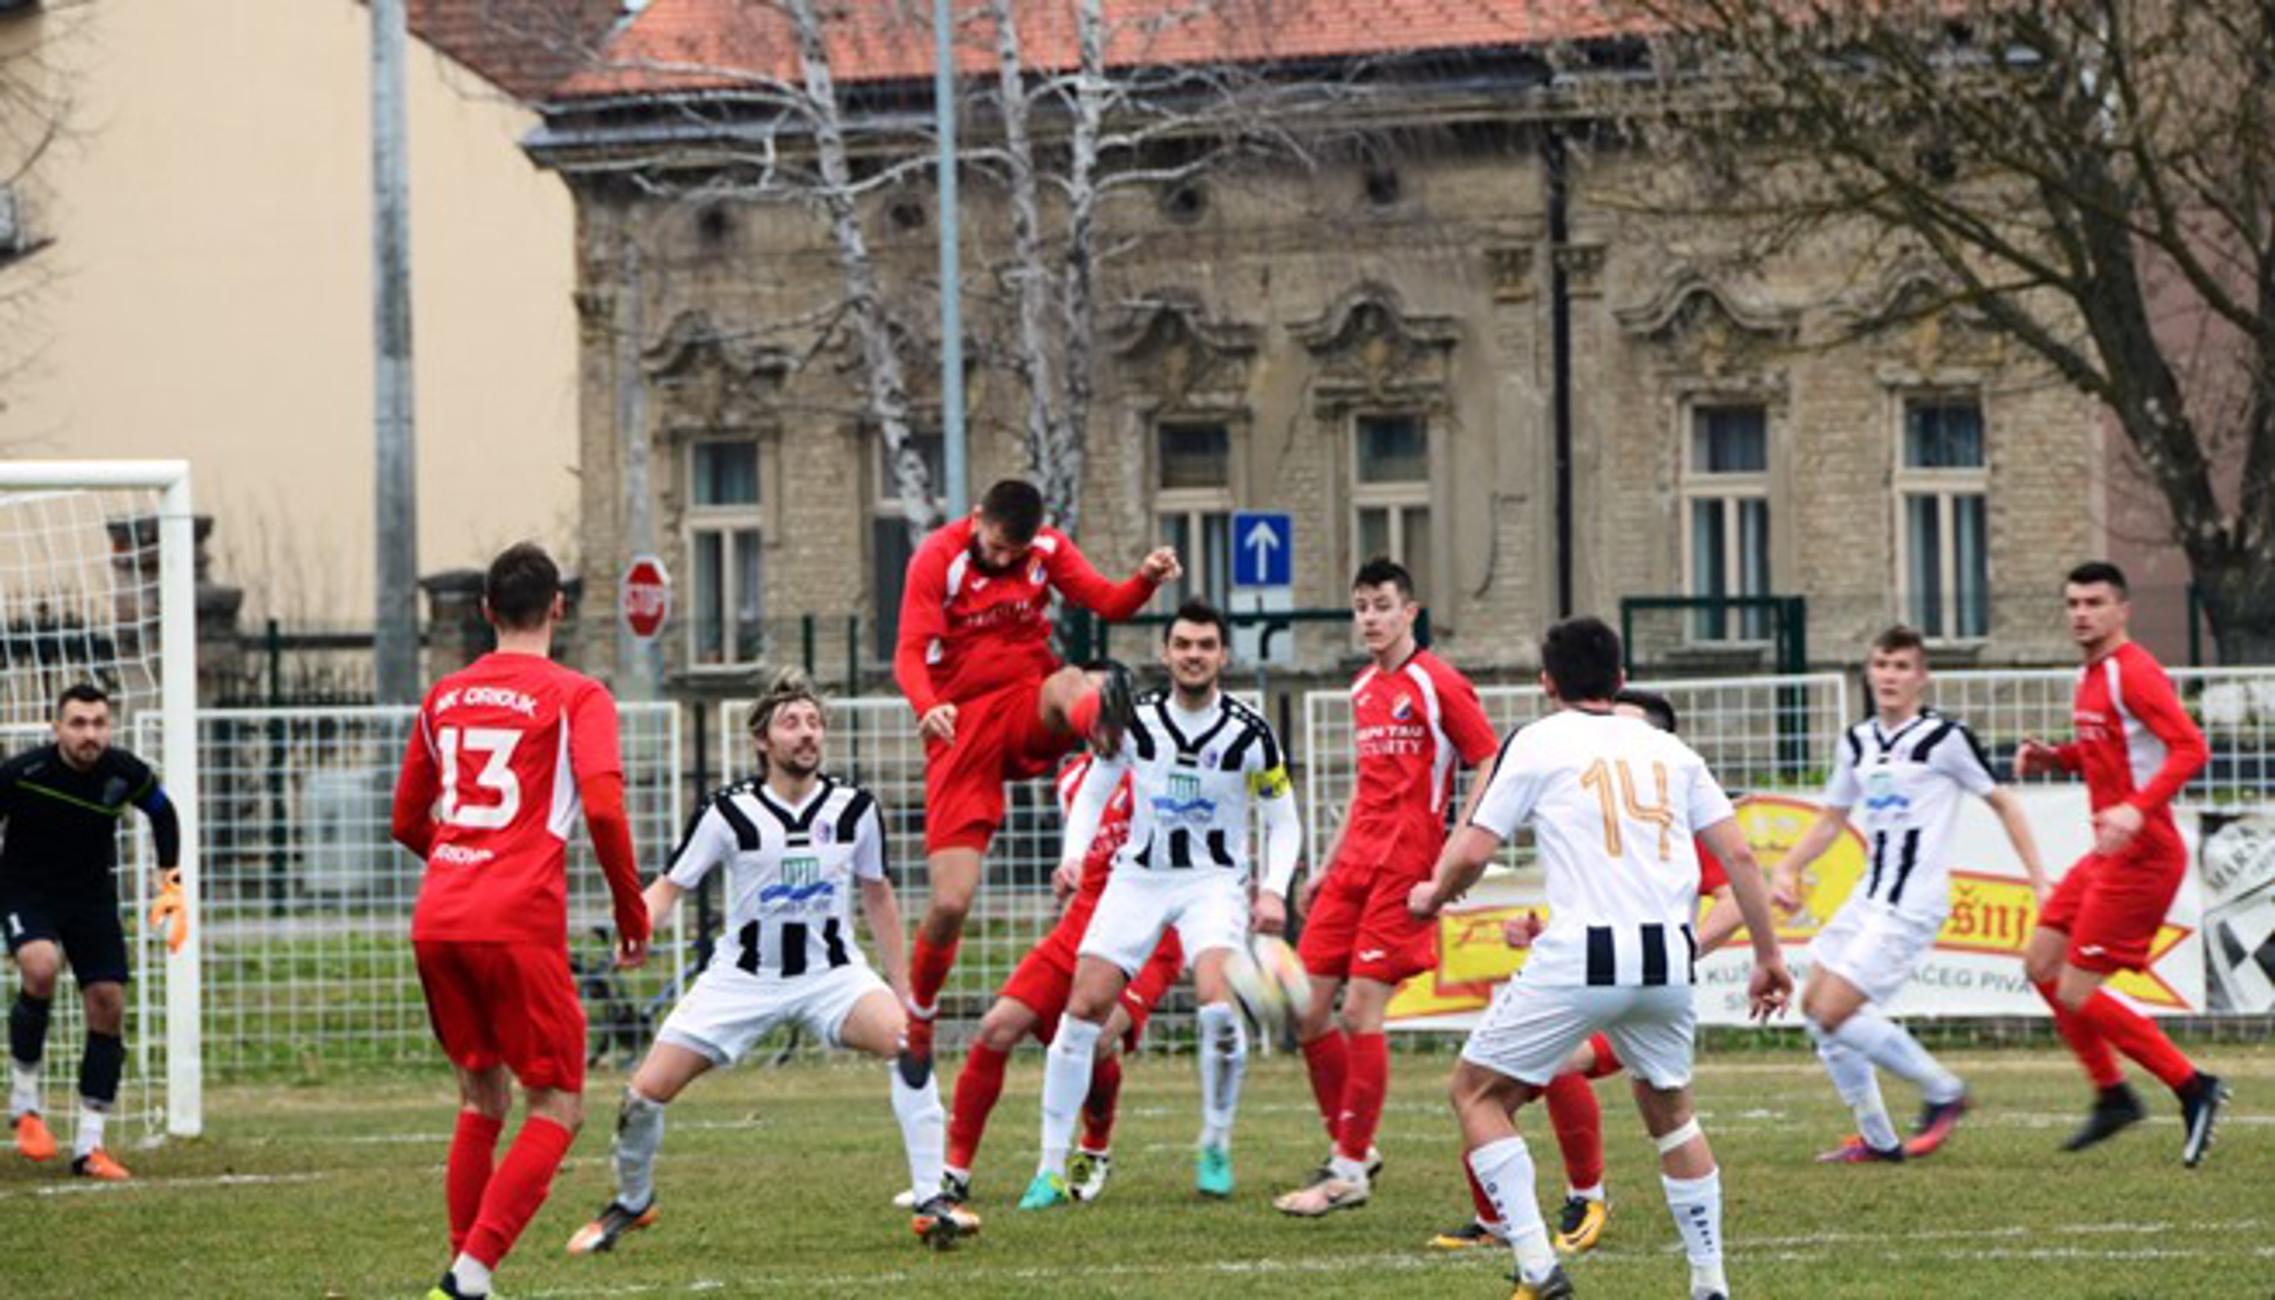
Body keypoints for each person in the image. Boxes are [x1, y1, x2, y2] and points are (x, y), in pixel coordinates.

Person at [1411, 616, 1791, 1300]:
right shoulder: (1670, 750)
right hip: (1666, 965)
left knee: (1474, 1093)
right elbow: (1738, 857)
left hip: (1582, 957)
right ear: (1619, 681)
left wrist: (1432, 895)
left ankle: (1535, 1266)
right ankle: (1709, 1282)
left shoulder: (1536, 741)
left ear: (1545, 683)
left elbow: (1471, 850)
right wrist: (1767, 956)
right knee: (1672, 1114)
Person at [568, 672, 978, 1253]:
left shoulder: (854, 807)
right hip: (742, 980)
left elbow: (878, 894)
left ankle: (932, 1200)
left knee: (909, 1045)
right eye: (792, 723)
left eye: (814, 723)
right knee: (642, 1094)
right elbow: (669, 886)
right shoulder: (727, 813)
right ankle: (632, 1204)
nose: (806, 734)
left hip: (831, 977)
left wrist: (905, 987)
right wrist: (635, 930)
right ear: (762, 740)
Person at [391, 542, 651, 1300]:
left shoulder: (444, 696)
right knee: (559, 1102)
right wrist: (630, 910)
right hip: (516, 919)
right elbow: (602, 805)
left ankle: (465, 1275)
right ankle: (469, 1277)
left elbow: (409, 818)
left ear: (484, 613)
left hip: (440, 913)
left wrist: (458, 862)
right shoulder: (577, 695)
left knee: (481, 1098)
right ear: (559, 608)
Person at [1430, 688, 1747, 1256]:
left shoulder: (1668, 819)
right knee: (1505, 1084)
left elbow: (1737, 895)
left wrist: (1680, 950)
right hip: (1613, 976)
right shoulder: (1603, 813)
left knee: (1513, 1075)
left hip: (1639, 984)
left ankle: (1582, 1199)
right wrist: (1543, 934)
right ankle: (1500, 1218)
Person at [1019, 599, 1301, 1209]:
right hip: (1138, 878)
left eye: (1205, 645)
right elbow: (1094, 789)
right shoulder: (1136, 721)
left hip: (1212, 883)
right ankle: (1047, 1167)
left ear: (1223, 655)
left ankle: (1216, 1144)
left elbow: (1285, 821)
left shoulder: (1250, 732)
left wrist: (1273, 888)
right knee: (1082, 1008)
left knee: (1216, 1005)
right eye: (1183, 645)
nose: (1193, 655)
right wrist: (1074, 854)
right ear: (1166, 653)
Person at [894, 478, 1180, 1077]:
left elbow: (1108, 602)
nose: (1003, 560)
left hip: (1027, 701)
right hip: (959, 727)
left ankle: (1102, 730)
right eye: (995, 547)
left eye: (1013, 553)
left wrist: (1148, 578)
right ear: (975, 519)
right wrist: (928, 706)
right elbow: (909, 652)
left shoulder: (1046, 549)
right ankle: (920, 1016)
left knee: (1070, 678)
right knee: (949, 901)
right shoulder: (936, 558)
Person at [1771, 626, 2048, 1163]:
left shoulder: (1944, 739)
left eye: (1901, 666)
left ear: (1921, 676)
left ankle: (1943, 1091)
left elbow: (2006, 804)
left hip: (1911, 902)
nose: (1890, 676)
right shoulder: (1857, 741)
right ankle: (1878, 1137)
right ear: (1869, 672)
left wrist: (2039, 880)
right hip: (1868, 895)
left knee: (1834, 1011)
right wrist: (1788, 867)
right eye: (1882, 664)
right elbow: (1831, 820)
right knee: (1814, 1009)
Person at [1275, 557, 1499, 1217]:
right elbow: (1365, 783)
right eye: (1361, 607)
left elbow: (1486, 756)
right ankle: (1352, 1146)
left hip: (1406, 867)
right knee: (1307, 1009)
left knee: (1358, 1012)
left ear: (1410, 611)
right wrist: (1325, 862)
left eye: (1381, 605)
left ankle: (1347, 1169)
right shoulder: (1361, 689)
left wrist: (1459, 843)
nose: (1369, 618)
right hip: (1352, 867)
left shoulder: (1438, 684)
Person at [2013, 561, 2227, 1164]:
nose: (2082, 612)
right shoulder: (2092, 675)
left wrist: (2135, 809)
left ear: (2122, 610)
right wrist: (2059, 757)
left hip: (2145, 856)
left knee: (2078, 990)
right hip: (2107, 854)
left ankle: (2194, 1086)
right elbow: (2108, 749)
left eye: (2095, 602)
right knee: (2041, 963)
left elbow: (2191, 746)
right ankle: (2113, 1096)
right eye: (2074, 602)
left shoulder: (2134, 672)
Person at [936, 753, 1184, 1206]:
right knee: (997, 1027)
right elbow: (1090, 854)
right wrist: (1071, 870)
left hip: (1155, 929)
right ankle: (954, 1171)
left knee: (1098, 1039)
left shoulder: (1159, 762)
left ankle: (1094, 1148)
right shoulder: (1072, 775)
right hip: (1083, 923)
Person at [2, 683, 182, 1180]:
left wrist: (170, 883)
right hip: (26, 893)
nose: (90, 734)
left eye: (99, 723)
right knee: (41, 968)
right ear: (56, 727)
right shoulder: (24, 773)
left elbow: (164, 814)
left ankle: (89, 1145)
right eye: (78, 723)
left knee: (108, 1005)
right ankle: (25, 1102)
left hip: (91, 901)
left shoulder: (125, 773)